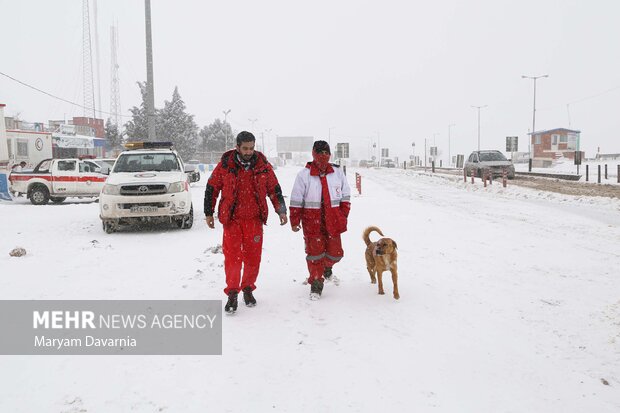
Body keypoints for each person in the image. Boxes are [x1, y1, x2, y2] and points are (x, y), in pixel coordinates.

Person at [204, 131, 288, 314]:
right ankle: (232, 292)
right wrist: (208, 213)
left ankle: (248, 288)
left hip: (254, 221)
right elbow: (212, 188)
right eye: (245, 148)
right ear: (237, 147)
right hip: (232, 220)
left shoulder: (263, 166)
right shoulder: (225, 166)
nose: (249, 152)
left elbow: (274, 189)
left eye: (251, 148)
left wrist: (281, 210)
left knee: (253, 257)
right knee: (233, 258)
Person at [289, 140, 351, 299]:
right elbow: (296, 199)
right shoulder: (304, 175)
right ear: (313, 154)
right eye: (320, 152)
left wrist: (343, 214)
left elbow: (345, 195)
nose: (323, 156)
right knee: (315, 254)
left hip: (334, 220)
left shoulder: (337, 173)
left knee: (336, 254)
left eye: (326, 153)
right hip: (312, 221)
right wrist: (295, 220)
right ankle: (316, 284)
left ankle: (326, 267)